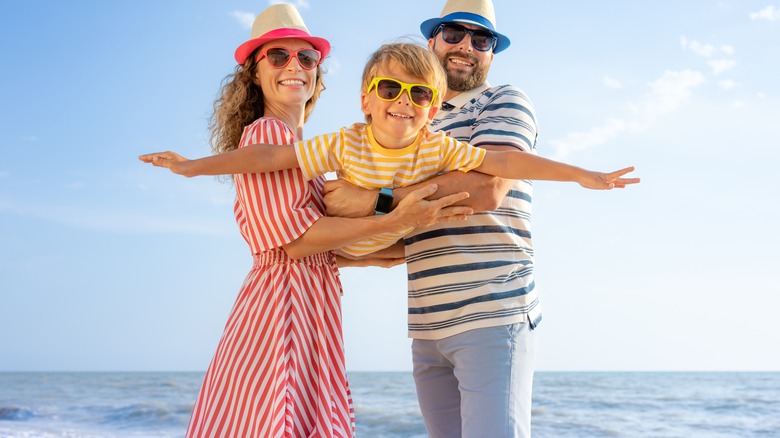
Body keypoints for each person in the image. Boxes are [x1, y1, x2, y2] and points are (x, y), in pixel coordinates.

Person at [146, 5, 474, 438]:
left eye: (307, 57)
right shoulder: (267, 135)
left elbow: (323, 249)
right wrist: (391, 216)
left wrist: (386, 246)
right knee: (279, 421)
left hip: (305, 301)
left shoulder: (303, 149)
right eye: (277, 56)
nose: (294, 66)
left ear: (318, 71)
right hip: (282, 308)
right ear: (254, 73)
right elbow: (296, 244)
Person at [321, 0, 607, 436]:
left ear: (492, 52)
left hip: (493, 311)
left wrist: (370, 200)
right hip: (427, 322)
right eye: (454, 34)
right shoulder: (413, 121)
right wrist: (346, 248)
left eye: (482, 39)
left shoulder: (504, 100)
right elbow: (416, 228)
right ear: (432, 41)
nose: (466, 46)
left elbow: (487, 188)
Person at [139, 43, 637, 260]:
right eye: (390, 89)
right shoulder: (344, 142)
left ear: (434, 108)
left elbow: (504, 162)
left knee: (429, 225)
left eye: (420, 94)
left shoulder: (437, 145)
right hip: (339, 252)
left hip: (378, 251)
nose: (404, 102)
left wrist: (581, 175)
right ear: (365, 100)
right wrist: (192, 167)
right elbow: (270, 158)